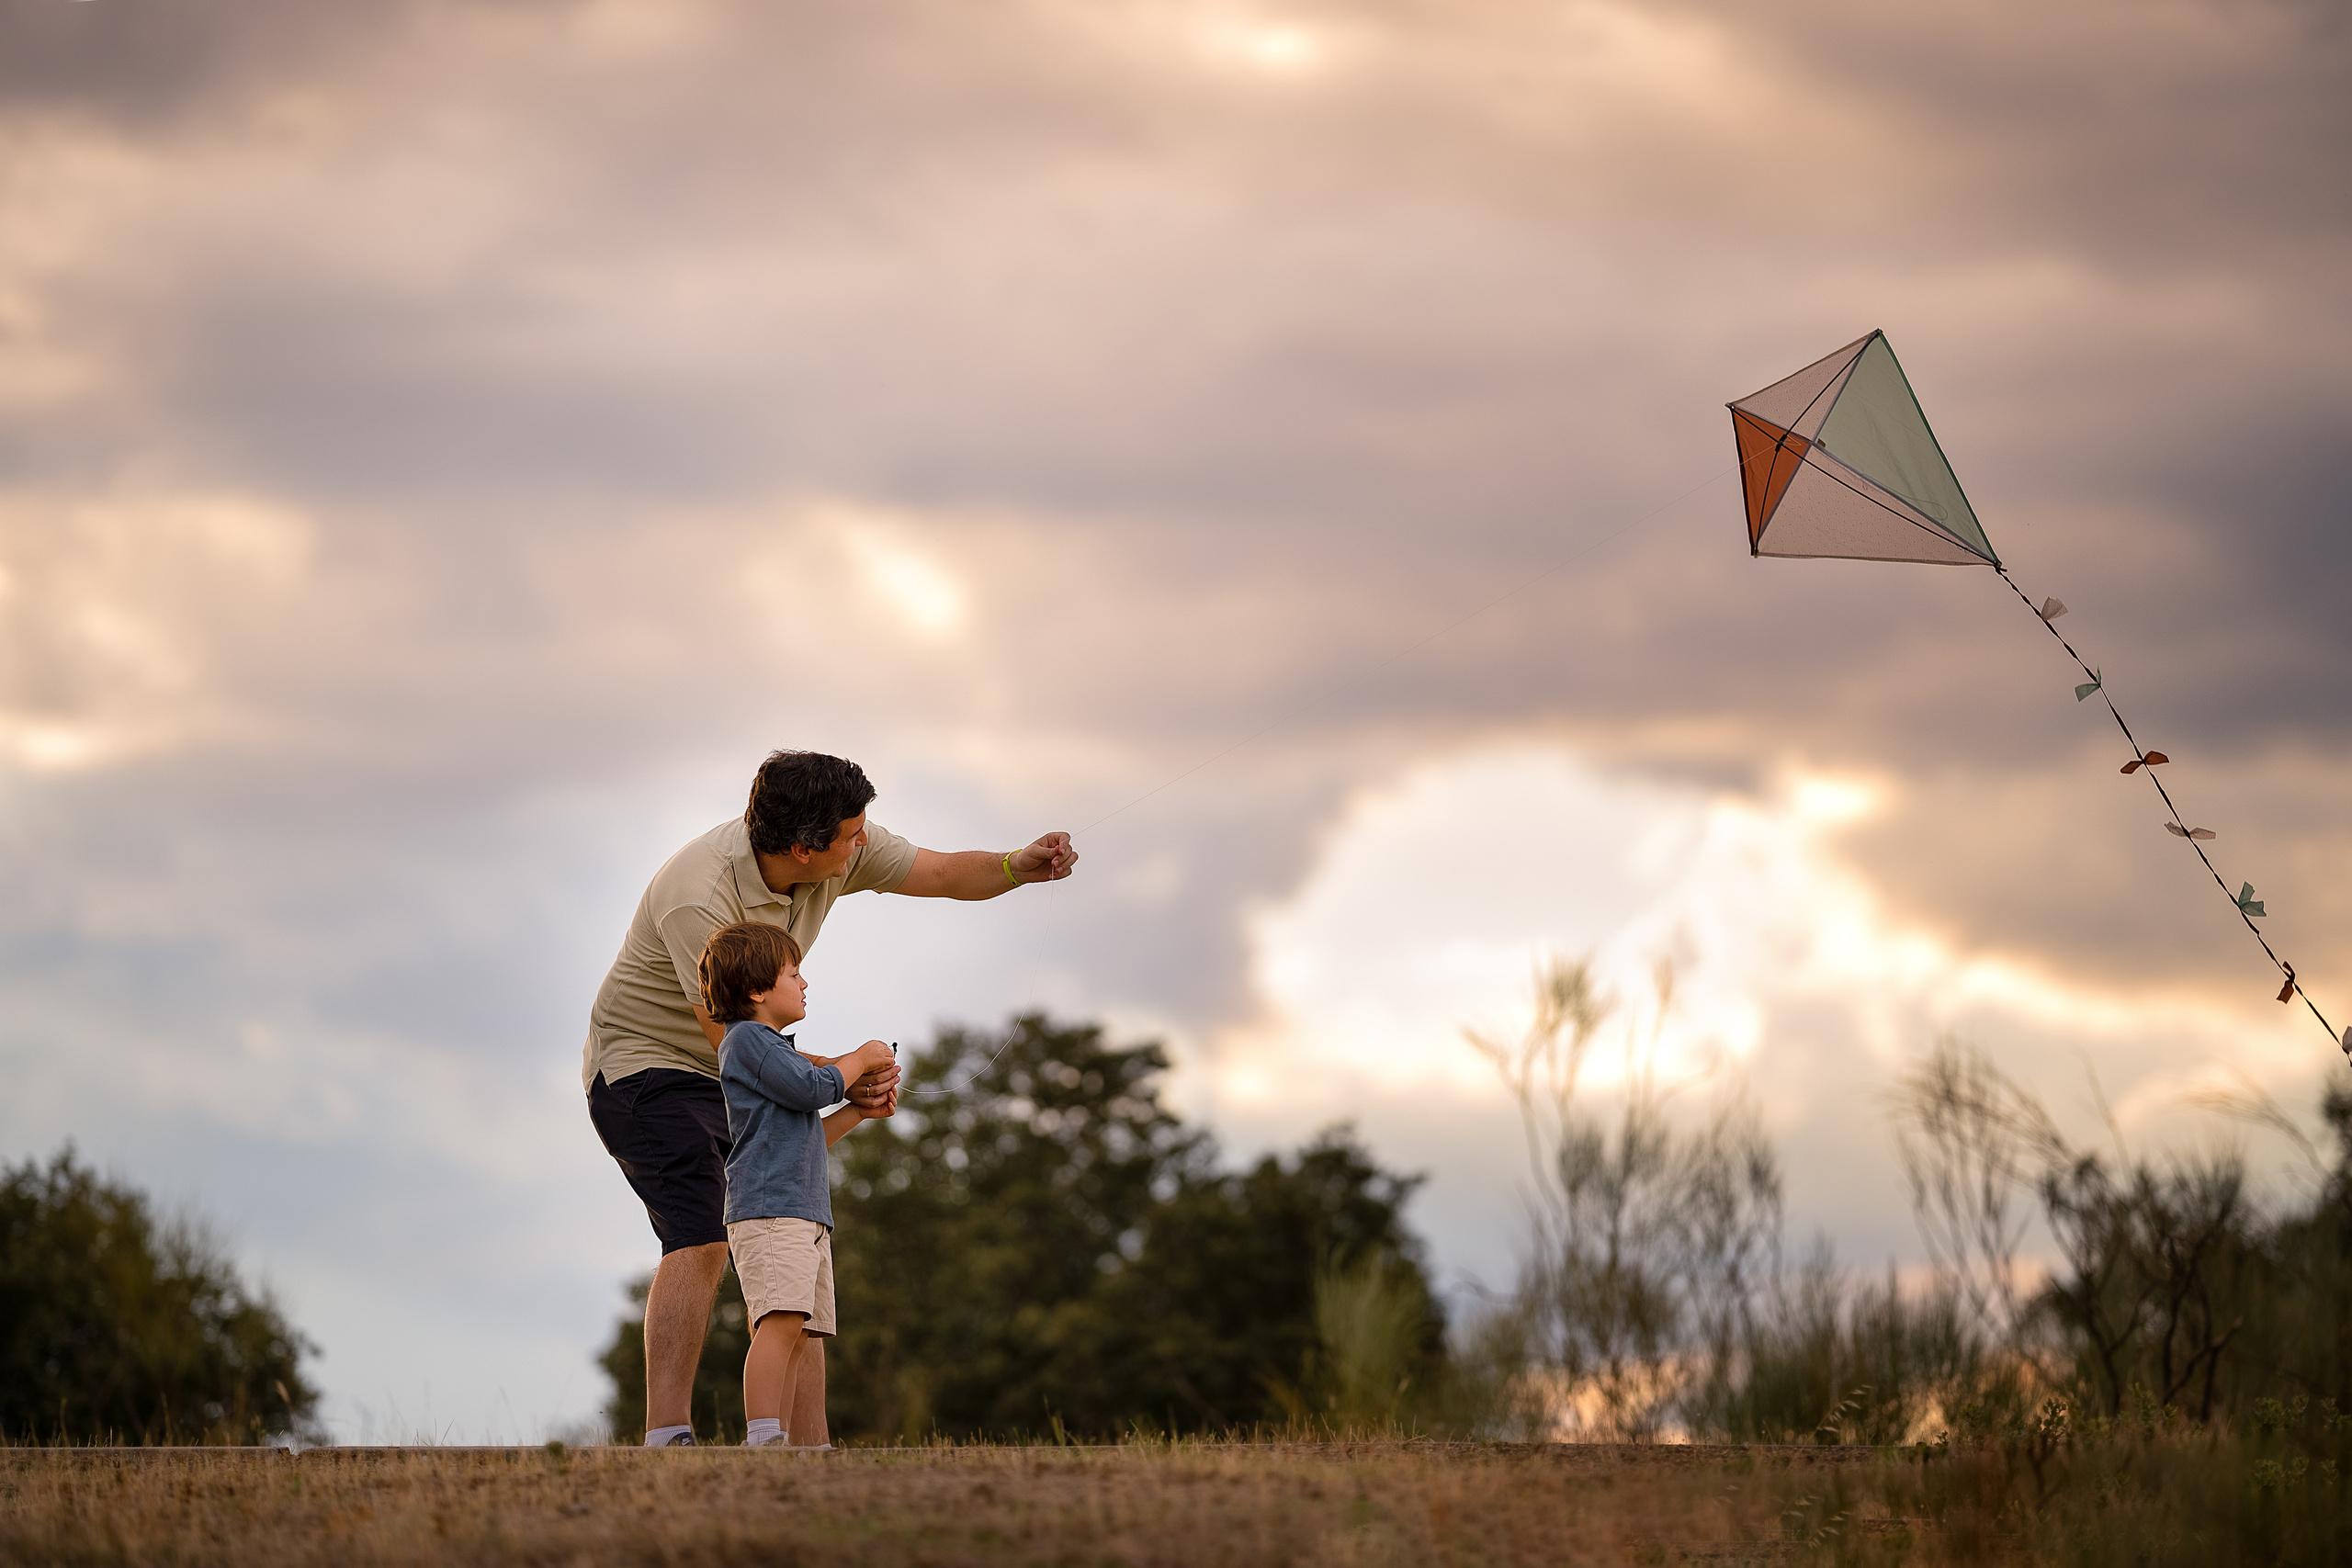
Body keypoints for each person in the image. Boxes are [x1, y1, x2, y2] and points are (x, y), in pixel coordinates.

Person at [583, 750, 1078, 1446]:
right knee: (700, 1229)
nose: (865, 841)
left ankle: (808, 1448)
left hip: (735, 1064)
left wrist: (1015, 866)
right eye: (852, 834)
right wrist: (849, 1068)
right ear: (803, 849)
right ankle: (669, 1436)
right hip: (648, 1067)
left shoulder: (841, 848)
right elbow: (734, 1040)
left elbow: (937, 872)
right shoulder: (701, 893)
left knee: (796, 1252)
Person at [696, 922, 893, 1449]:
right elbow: (812, 1088)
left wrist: (860, 1109)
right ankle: (763, 1439)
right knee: (779, 1321)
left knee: (798, 1328)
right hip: (770, 1211)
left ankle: (778, 1439)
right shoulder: (747, 1042)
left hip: (802, 1212)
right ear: (757, 990)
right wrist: (863, 1057)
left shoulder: (772, 1050)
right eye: (794, 972)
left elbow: (810, 1135)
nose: (804, 983)